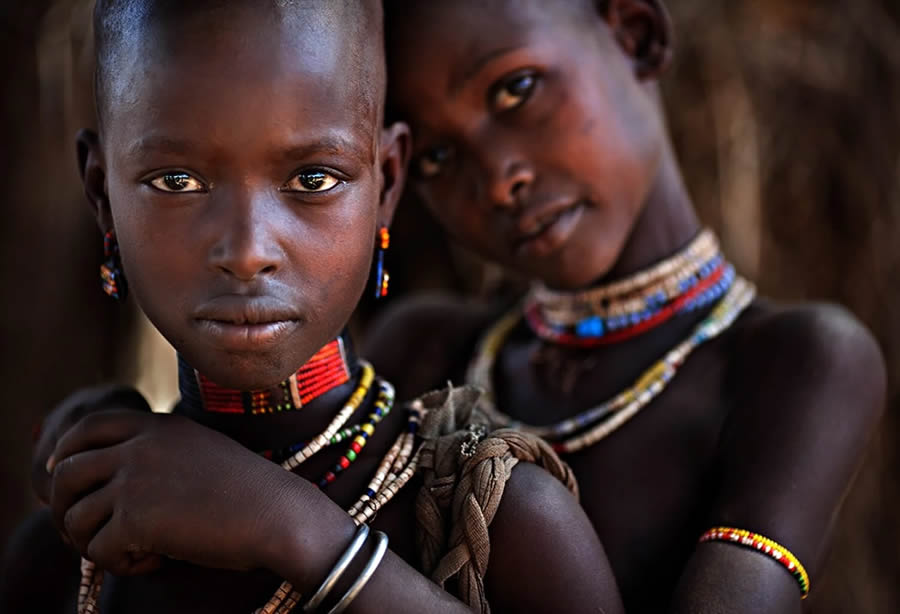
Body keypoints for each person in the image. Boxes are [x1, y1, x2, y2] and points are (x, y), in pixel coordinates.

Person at [0, 2, 625, 613]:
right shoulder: (68, 554)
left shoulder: (505, 523)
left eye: (314, 179)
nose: (247, 252)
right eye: (177, 181)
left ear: (387, 180)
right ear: (101, 193)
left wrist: (285, 526)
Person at [364, 1, 887, 612]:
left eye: (516, 90)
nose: (499, 179)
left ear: (637, 36)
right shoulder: (423, 351)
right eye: (435, 157)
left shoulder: (795, 363)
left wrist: (305, 540)